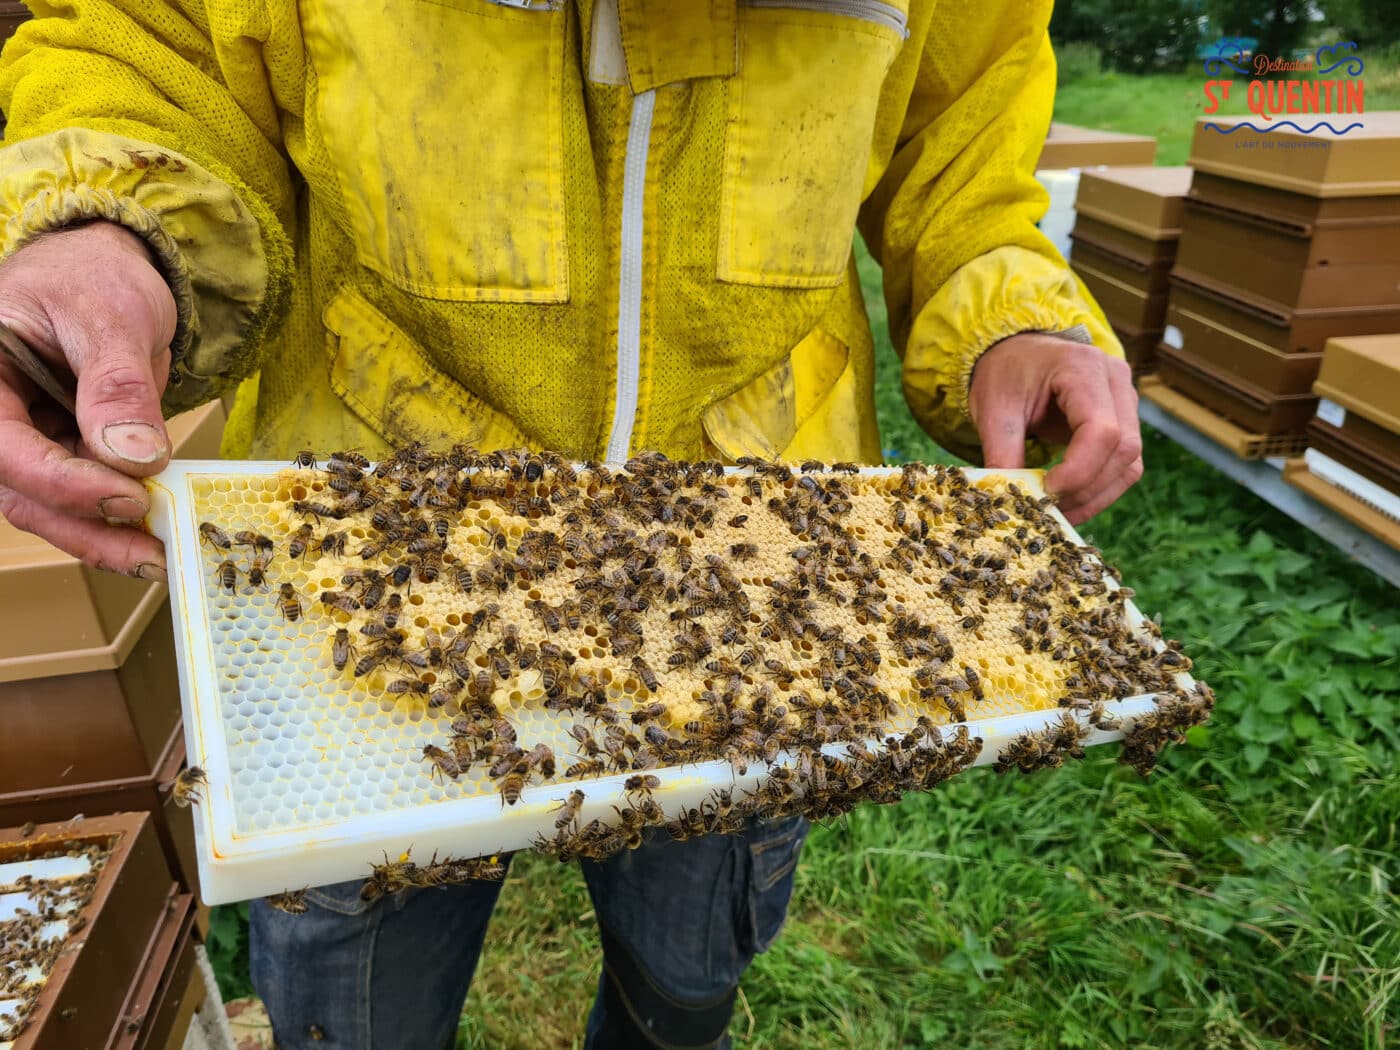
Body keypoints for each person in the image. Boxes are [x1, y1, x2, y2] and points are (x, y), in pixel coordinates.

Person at [0, 3, 1143, 1047]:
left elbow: (963, 159)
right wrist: (106, 230)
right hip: (378, 561)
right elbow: (153, 49)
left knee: (687, 981)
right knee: (351, 1008)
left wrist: (1009, 312)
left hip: (751, 577)